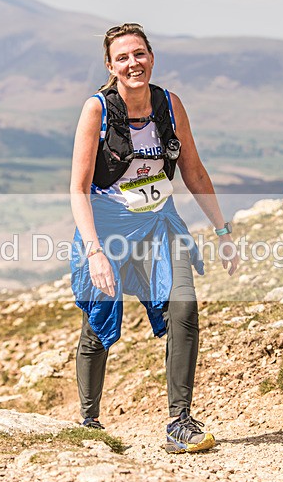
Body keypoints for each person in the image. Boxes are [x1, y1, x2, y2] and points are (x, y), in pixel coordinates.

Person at [69, 23, 239, 454]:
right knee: (98, 323)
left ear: (151, 57)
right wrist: (95, 252)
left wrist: (223, 231)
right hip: (107, 231)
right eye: (123, 57)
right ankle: (89, 422)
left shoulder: (169, 104)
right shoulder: (98, 110)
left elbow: (194, 171)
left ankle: (179, 422)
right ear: (111, 66)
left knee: (185, 306)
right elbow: (78, 187)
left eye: (139, 54)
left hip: (160, 223)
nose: (133, 63)